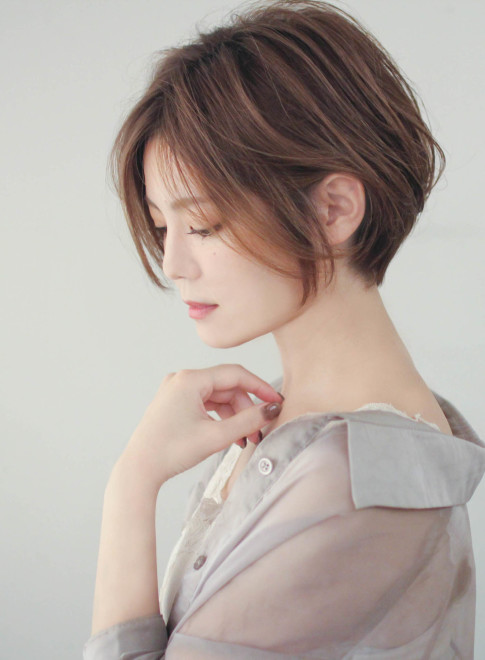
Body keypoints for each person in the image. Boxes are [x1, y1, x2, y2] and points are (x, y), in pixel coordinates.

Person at [83, 0, 485, 657]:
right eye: (161, 226)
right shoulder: (302, 426)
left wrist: (131, 487)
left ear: (333, 210)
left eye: (203, 224)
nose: (173, 263)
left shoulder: (355, 482)